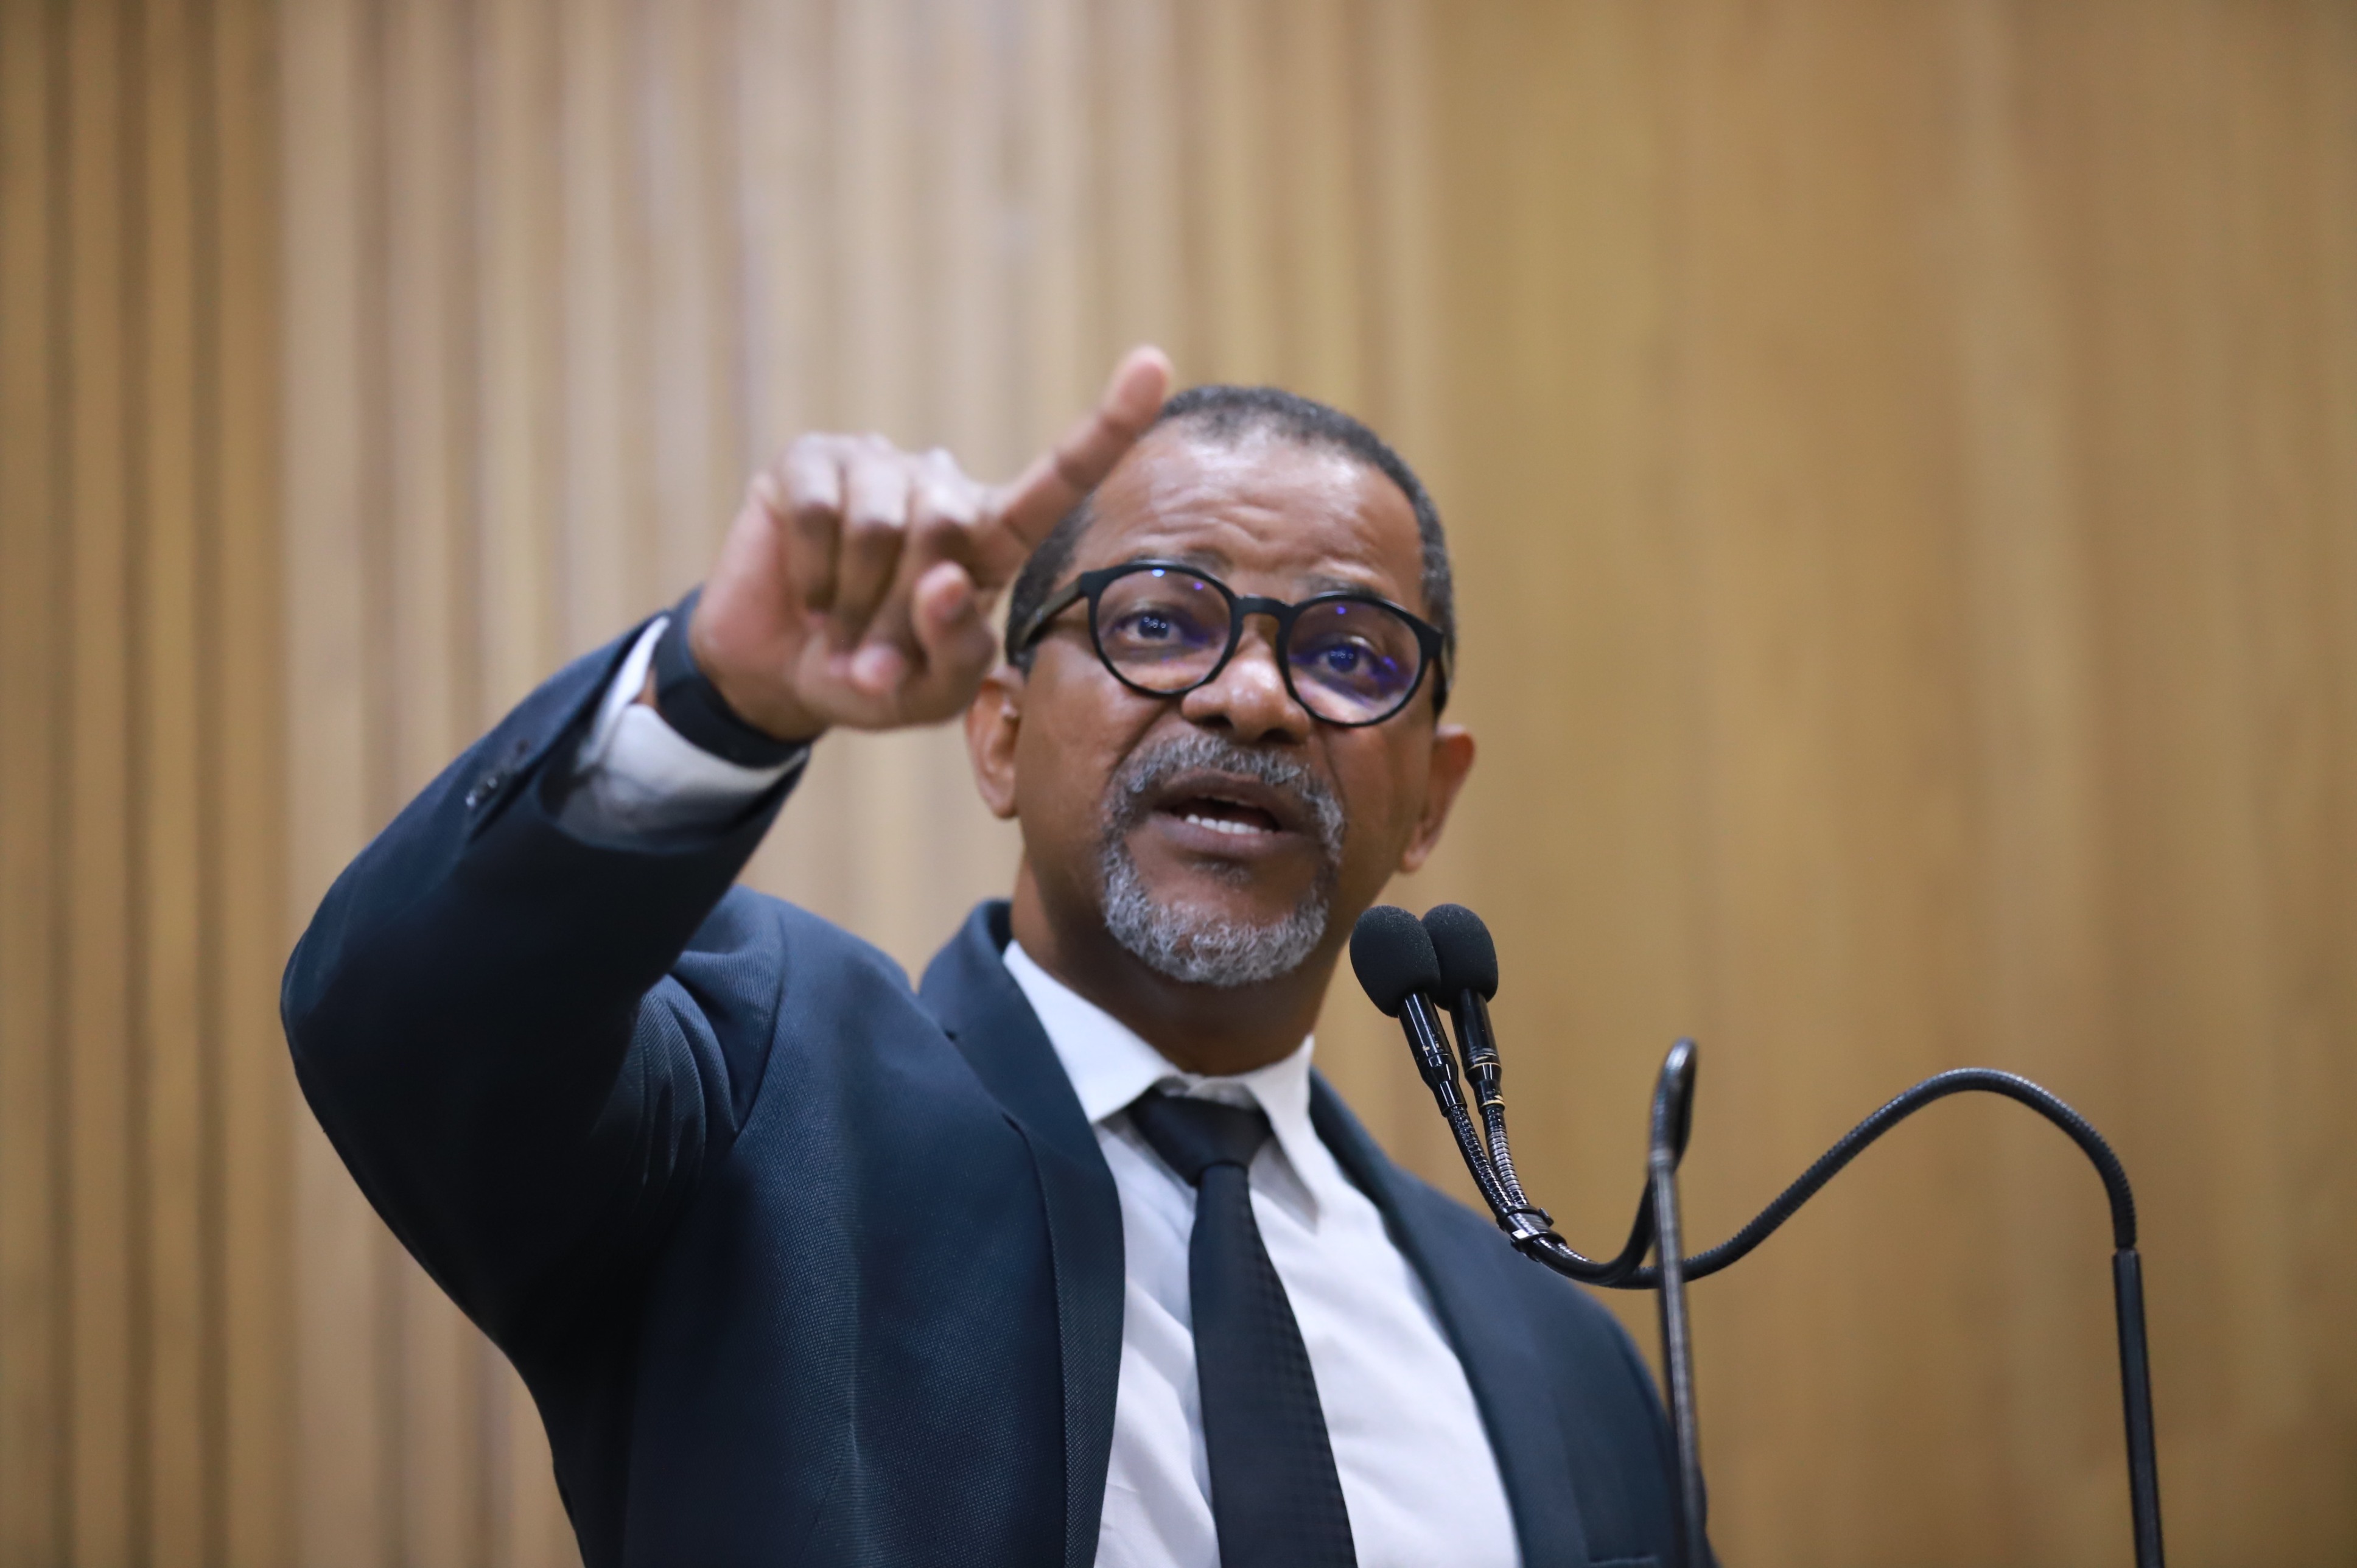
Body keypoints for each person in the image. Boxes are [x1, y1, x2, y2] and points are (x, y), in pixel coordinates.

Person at [285, 348, 1693, 1568]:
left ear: (1432, 797)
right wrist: (719, 698)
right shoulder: (757, 1106)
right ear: (1001, 734)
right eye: (1159, 623)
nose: (1252, 694)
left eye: (1349, 654)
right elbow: (407, 1021)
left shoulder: (1566, 1359)